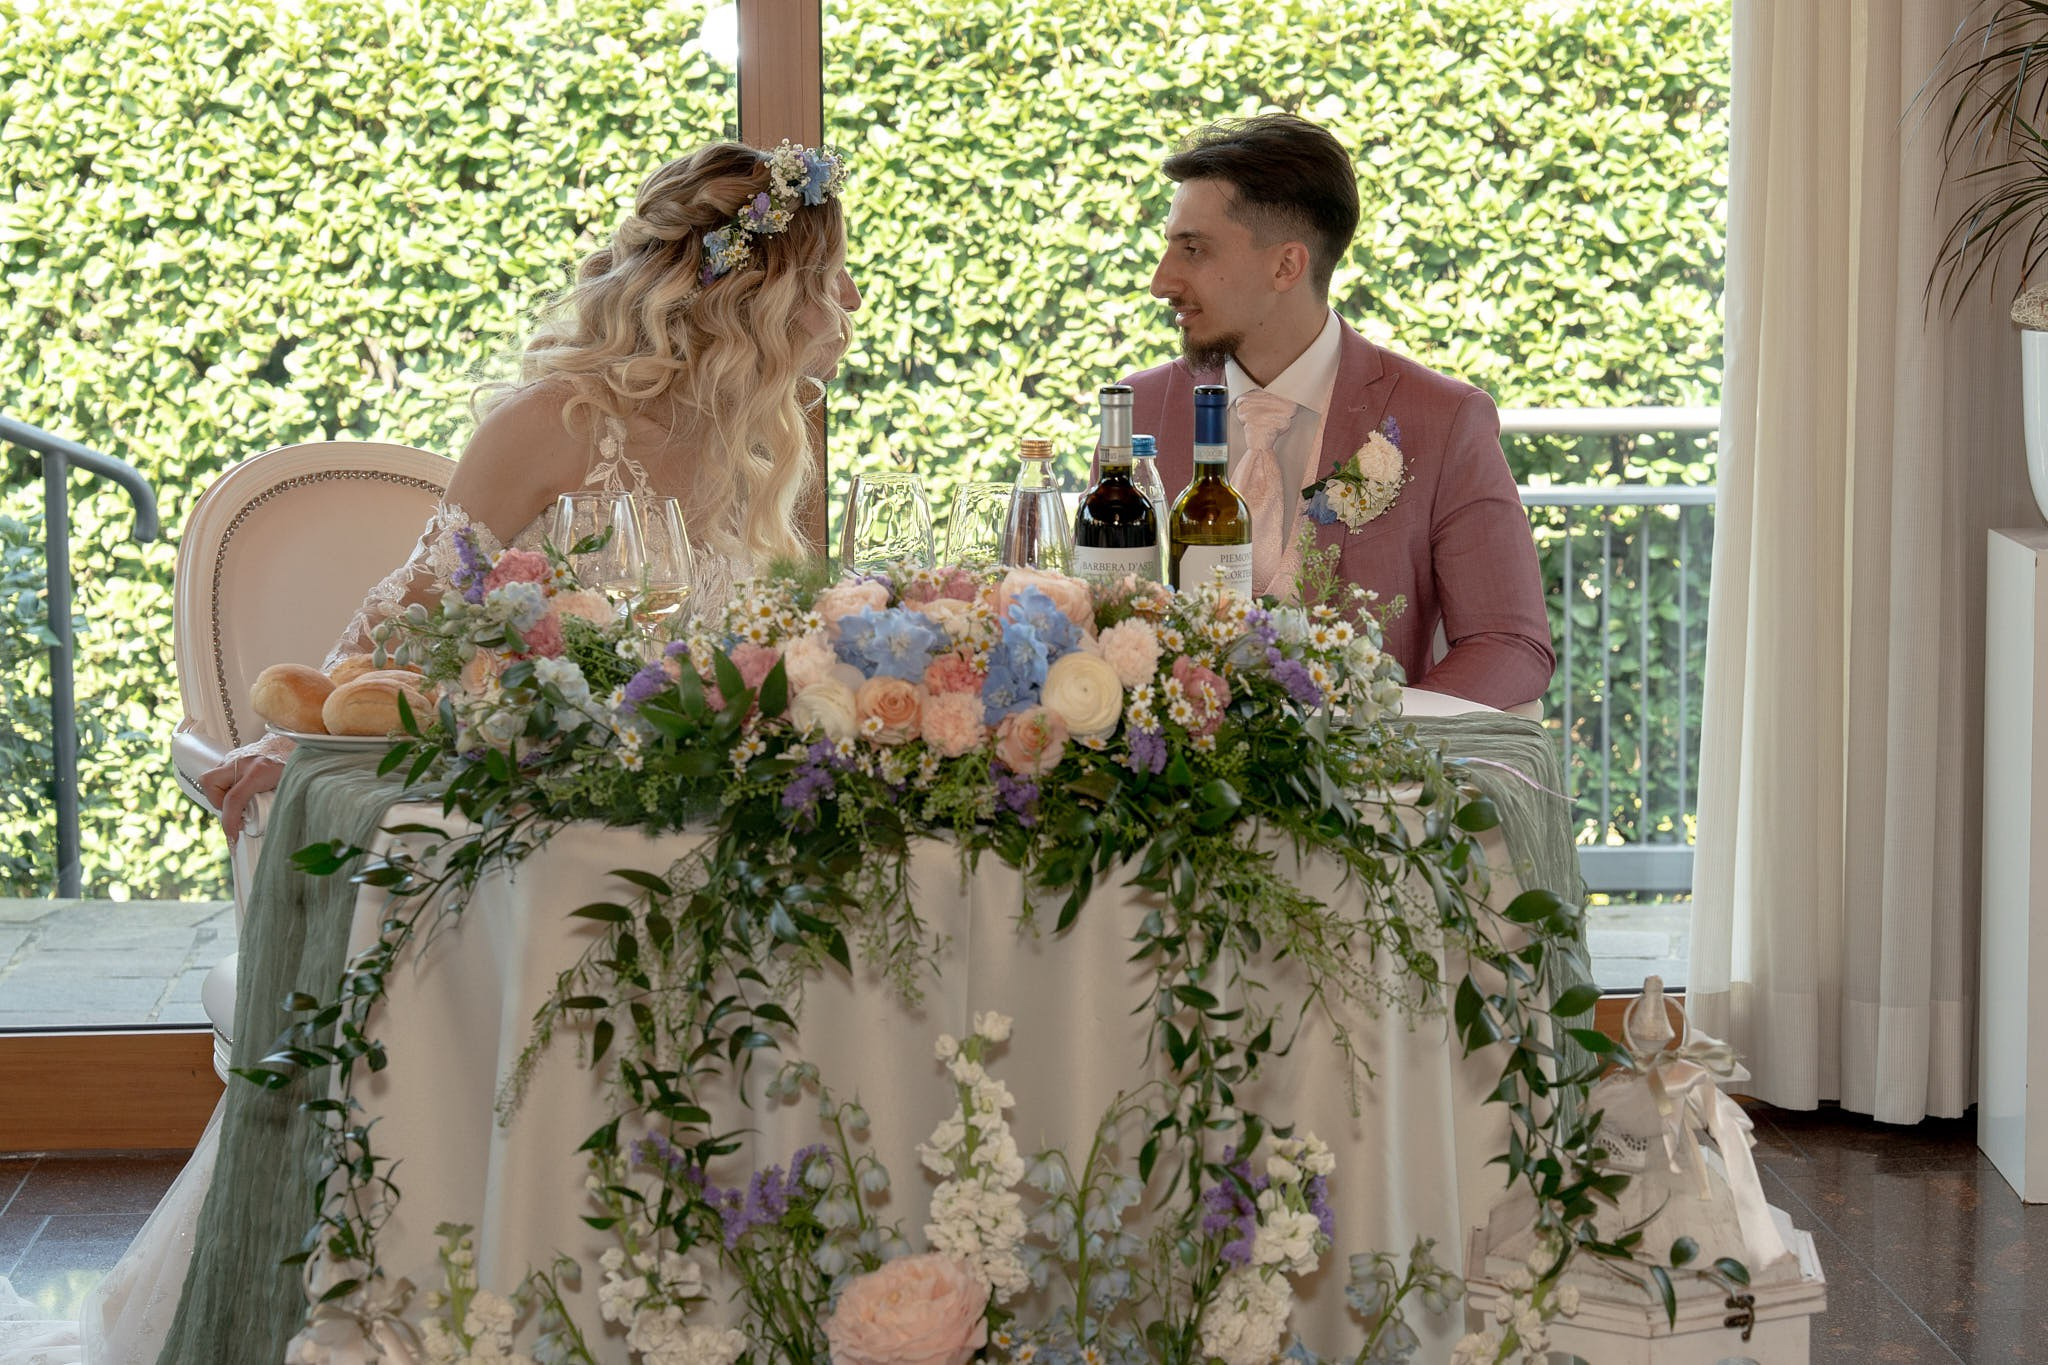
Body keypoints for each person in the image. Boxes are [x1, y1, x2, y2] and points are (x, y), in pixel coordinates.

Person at [199, 139, 862, 837]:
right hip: (541, 824)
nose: (850, 296)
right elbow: (415, 605)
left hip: (681, 815)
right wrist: (303, 745)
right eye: (829, 275)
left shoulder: (740, 446)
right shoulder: (559, 420)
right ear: (750, 292)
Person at [1123, 113, 1553, 712]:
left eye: (1192, 249)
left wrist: (1378, 741)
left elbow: (1509, 643)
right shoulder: (1139, 410)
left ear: (1286, 266)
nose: (1161, 281)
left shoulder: (1443, 419)